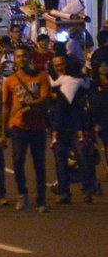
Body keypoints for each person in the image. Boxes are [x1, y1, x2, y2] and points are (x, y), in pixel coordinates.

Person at [1, 47, 51, 213]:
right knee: (18, 160)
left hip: (38, 127)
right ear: (14, 59)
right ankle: (22, 193)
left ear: (29, 58)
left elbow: (45, 99)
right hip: (18, 126)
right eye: (18, 57)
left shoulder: (41, 77)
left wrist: (29, 104)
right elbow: (5, 106)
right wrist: (2, 131)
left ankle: (41, 199)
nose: (21, 59)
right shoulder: (9, 81)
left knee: (39, 163)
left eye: (24, 56)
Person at [48, 55, 94, 204]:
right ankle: (64, 192)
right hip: (58, 126)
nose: (60, 67)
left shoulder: (75, 80)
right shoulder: (52, 83)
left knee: (82, 157)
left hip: (76, 126)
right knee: (60, 160)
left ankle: (87, 189)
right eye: (56, 65)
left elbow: (86, 94)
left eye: (62, 64)